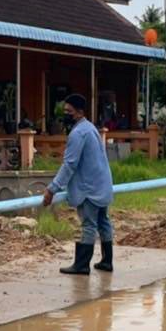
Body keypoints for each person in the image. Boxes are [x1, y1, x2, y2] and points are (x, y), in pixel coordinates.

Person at [41, 93, 115, 275]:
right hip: (102, 185)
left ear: (80, 112)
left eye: (69, 111)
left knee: (89, 225)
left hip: (89, 188)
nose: (66, 115)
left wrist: (52, 189)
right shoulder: (90, 128)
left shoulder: (78, 133)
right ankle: (107, 261)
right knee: (103, 222)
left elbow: (69, 165)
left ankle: (82, 265)